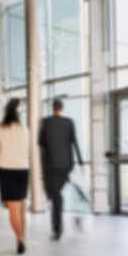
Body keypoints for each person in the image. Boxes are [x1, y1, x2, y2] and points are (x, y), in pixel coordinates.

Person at [39, 99, 84, 240]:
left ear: (53, 108)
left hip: (51, 165)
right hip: (66, 166)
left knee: (56, 195)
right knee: (57, 194)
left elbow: (40, 143)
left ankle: (57, 228)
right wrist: (81, 162)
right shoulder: (69, 122)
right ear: (62, 108)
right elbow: (74, 142)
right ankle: (57, 226)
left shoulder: (46, 122)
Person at [0, 99, 29, 254]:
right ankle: (22, 237)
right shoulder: (23, 129)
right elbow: (28, 149)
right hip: (23, 169)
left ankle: (20, 240)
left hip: (6, 169)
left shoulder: (0, 129)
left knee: (13, 209)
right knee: (22, 208)